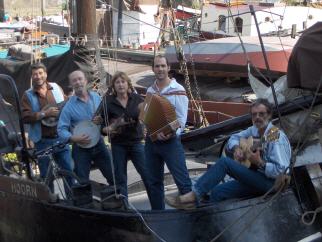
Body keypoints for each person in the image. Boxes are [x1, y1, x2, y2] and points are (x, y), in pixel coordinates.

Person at [166, 98, 292, 209]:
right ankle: (208, 221)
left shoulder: (276, 137)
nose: (257, 117)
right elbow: (233, 138)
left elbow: (282, 171)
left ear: (269, 116)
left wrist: (260, 163)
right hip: (255, 177)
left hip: (271, 184)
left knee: (224, 163)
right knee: (217, 192)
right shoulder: (254, 130)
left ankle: (193, 196)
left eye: (262, 114)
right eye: (254, 115)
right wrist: (237, 148)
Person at [144, 54, 192, 210]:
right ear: (153, 69)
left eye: (163, 66)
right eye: (157, 66)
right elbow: (148, 116)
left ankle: (192, 213)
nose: (160, 69)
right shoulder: (150, 90)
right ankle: (158, 214)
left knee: (182, 180)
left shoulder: (178, 90)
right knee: (154, 182)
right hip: (152, 142)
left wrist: (170, 134)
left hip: (170, 142)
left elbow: (181, 120)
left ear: (168, 68)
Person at [21, 62, 74, 196]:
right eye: (35, 74)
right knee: (46, 176)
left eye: (40, 73)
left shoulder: (56, 87)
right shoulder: (27, 95)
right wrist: (45, 114)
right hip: (42, 141)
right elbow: (25, 117)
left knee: (69, 171)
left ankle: (72, 201)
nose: (38, 76)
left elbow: (66, 105)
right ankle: (51, 202)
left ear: (45, 74)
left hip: (60, 138)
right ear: (32, 77)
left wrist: (71, 100)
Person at [57, 70, 114, 185]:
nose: (78, 82)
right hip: (80, 149)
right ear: (71, 85)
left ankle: (120, 200)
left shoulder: (96, 97)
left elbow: (105, 118)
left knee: (113, 177)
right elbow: (61, 130)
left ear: (86, 81)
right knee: (82, 183)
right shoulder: (68, 107)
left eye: (80, 79)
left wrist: (102, 120)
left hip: (99, 144)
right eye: (74, 80)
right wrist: (74, 138)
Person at [101, 71, 151, 201]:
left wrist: (145, 126)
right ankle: (126, 208)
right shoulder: (108, 102)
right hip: (118, 144)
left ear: (127, 84)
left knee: (147, 174)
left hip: (136, 142)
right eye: (117, 82)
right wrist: (112, 127)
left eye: (123, 82)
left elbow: (146, 116)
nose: (120, 85)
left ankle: (156, 205)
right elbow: (102, 128)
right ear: (114, 86)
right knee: (121, 178)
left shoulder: (136, 98)